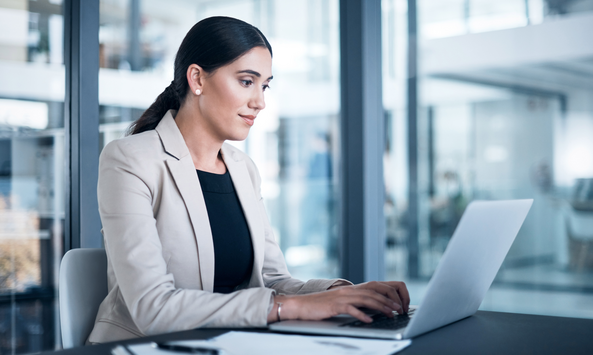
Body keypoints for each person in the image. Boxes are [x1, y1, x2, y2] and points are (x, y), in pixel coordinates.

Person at [87, 16, 410, 344]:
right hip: (141, 346)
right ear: (197, 78)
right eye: (246, 81)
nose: (260, 101)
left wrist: (341, 293)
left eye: (264, 85)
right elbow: (153, 308)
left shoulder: (244, 168)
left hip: (228, 342)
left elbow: (271, 279)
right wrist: (288, 308)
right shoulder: (129, 159)